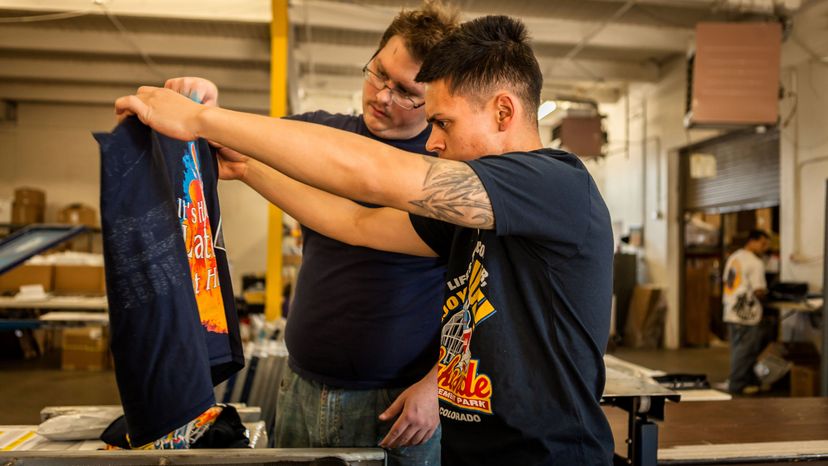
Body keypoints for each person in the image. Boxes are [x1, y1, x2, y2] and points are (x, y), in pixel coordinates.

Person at [116, 14, 615, 465]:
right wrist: (245, 167)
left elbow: (375, 175)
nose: (434, 141)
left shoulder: (556, 184)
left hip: (547, 456)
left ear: (504, 113)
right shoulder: (474, 215)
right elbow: (357, 222)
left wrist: (203, 120)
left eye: (442, 122)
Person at [165, 3, 458, 464]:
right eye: (378, 73)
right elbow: (232, 136)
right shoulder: (318, 135)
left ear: (438, 97)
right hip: (301, 385)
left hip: (399, 404)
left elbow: (486, 299)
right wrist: (203, 100)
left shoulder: (450, 175)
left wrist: (437, 386)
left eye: (405, 92)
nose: (381, 95)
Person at [722, 229, 771, 395]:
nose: (764, 248)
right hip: (747, 315)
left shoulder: (734, 257)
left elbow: (728, 282)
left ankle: (748, 382)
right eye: (763, 243)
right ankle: (735, 386)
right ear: (752, 241)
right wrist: (769, 298)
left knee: (738, 351)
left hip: (731, 310)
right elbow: (759, 291)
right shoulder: (755, 263)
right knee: (745, 352)